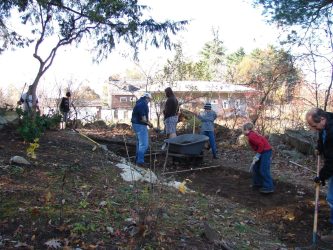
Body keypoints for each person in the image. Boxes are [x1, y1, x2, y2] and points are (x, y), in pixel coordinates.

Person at [306, 108, 333, 243]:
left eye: (314, 126)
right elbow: (322, 136)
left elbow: (332, 161)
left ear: (322, 119)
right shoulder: (326, 123)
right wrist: (319, 147)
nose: (314, 129)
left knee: (332, 198)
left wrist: (321, 176)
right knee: (332, 198)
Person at [242, 122, 274, 194]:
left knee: (264, 169)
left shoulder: (251, 136)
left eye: (243, 130)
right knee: (256, 167)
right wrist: (257, 154)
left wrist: (258, 155)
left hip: (266, 152)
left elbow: (261, 145)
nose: (243, 132)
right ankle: (258, 183)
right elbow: (259, 145)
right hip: (262, 151)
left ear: (246, 129)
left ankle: (269, 187)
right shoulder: (252, 134)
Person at [131, 92, 153, 167]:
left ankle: (137, 159)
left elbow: (143, 117)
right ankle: (140, 161)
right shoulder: (143, 104)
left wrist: (148, 122)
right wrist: (150, 124)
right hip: (140, 125)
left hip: (135, 124)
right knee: (144, 144)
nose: (149, 101)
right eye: (149, 100)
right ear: (147, 98)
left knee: (139, 143)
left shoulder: (139, 103)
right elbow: (143, 119)